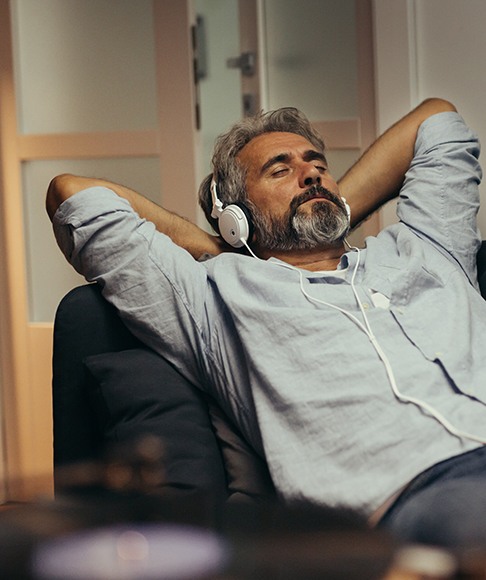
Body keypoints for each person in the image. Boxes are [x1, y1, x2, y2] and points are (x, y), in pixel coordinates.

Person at [47, 98, 486, 548]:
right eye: (280, 170)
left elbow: (437, 118)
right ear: (237, 217)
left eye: (318, 165)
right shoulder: (212, 298)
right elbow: (73, 194)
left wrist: (326, 202)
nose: (311, 173)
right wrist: (218, 247)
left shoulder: (426, 247)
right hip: (423, 491)